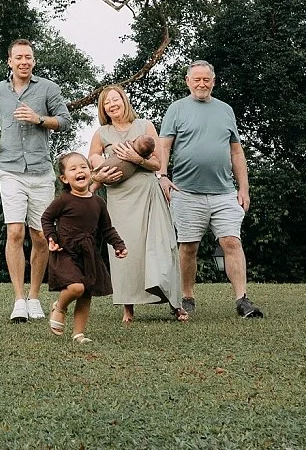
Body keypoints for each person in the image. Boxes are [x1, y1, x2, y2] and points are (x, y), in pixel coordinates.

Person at [157, 60, 265, 319]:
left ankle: (242, 300)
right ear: (188, 81)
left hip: (224, 192)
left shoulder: (226, 110)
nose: (202, 84)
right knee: (189, 246)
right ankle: (188, 297)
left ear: (213, 82)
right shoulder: (177, 109)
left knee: (231, 241)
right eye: (197, 79)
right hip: (185, 192)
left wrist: (244, 189)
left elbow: (236, 152)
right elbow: (164, 146)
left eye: (206, 80)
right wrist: (162, 175)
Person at [0, 39, 70, 322]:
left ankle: (34, 297)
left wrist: (39, 119)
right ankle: (18, 300)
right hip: (9, 169)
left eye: (28, 57)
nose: (24, 62)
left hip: (41, 171)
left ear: (34, 61)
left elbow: (65, 120)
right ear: (9, 61)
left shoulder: (48, 88)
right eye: (18, 57)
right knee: (15, 233)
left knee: (40, 236)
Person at [87, 84, 187, 323]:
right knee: (125, 252)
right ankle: (128, 308)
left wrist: (135, 158)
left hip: (147, 195)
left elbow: (157, 164)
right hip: (119, 200)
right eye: (107, 102)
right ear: (103, 109)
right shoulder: (102, 133)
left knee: (160, 248)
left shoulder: (144, 126)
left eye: (116, 99)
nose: (112, 104)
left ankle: (176, 305)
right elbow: (92, 162)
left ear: (124, 100)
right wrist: (99, 165)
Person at [41, 152, 127, 344]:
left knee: (86, 293)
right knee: (76, 287)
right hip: (65, 251)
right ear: (64, 178)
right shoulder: (63, 200)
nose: (79, 171)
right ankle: (60, 307)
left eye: (83, 167)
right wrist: (51, 238)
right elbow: (46, 218)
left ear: (91, 171)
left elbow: (107, 229)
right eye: (73, 169)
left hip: (88, 254)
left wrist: (118, 245)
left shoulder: (98, 202)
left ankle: (78, 333)